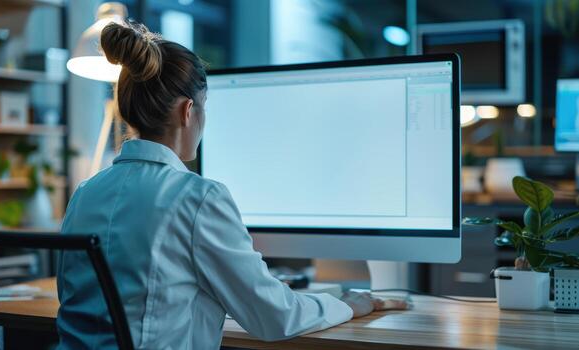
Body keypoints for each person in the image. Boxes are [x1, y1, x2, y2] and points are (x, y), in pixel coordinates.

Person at [56, 21, 408, 350]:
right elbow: (275, 317)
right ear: (188, 111)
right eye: (205, 107)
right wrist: (348, 304)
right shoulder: (196, 197)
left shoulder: (85, 193)